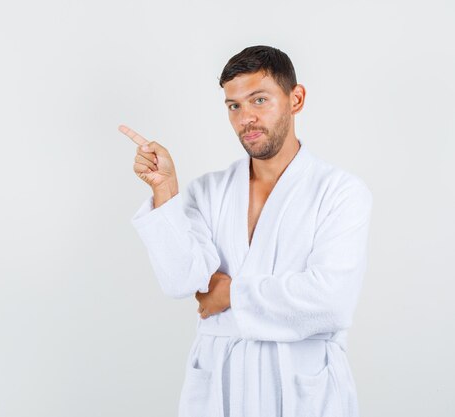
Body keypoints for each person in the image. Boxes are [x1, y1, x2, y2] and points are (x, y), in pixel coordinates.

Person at [119, 45, 373, 417]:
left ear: (295, 99)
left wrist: (231, 294)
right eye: (234, 106)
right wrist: (165, 190)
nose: (246, 118)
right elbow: (180, 280)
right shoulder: (209, 191)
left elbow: (330, 302)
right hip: (221, 383)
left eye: (259, 100)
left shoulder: (340, 192)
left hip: (301, 386)